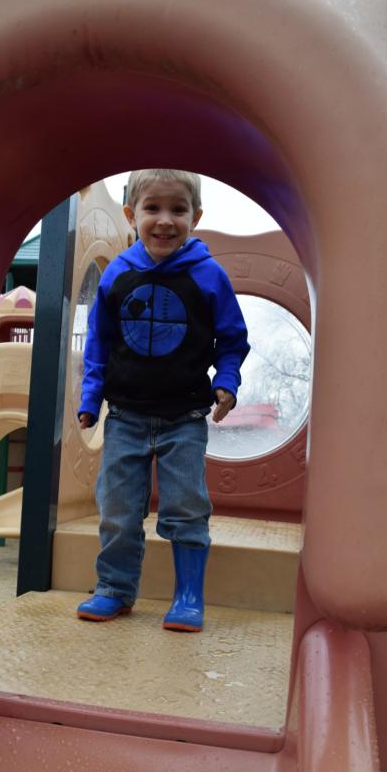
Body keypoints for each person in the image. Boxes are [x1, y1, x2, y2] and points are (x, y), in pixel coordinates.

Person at [75, 169, 250, 633]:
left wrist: (226, 381)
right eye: (153, 208)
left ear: (196, 216)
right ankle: (114, 588)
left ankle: (189, 596)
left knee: (187, 506)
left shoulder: (208, 276)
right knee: (116, 508)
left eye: (178, 209)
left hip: (184, 417)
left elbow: (232, 339)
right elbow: (98, 343)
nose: (166, 220)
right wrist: (90, 399)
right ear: (133, 215)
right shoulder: (118, 274)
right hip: (126, 416)